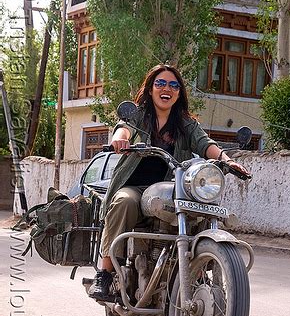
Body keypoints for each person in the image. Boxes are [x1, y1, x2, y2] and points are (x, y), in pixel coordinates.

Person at [89, 63, 250, 301]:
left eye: (174, 85)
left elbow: (206, 144)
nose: (167, 89)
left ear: (179, 92)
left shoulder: (186, 124)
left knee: (203, 212)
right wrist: (119, 141)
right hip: (135, 188)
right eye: (161, 83)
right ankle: (104, 273)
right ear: (151, 88)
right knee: (123, 203)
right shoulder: (139, 116)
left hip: (172, 190)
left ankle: (196, 269)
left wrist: (227, 161)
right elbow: (123, 129)